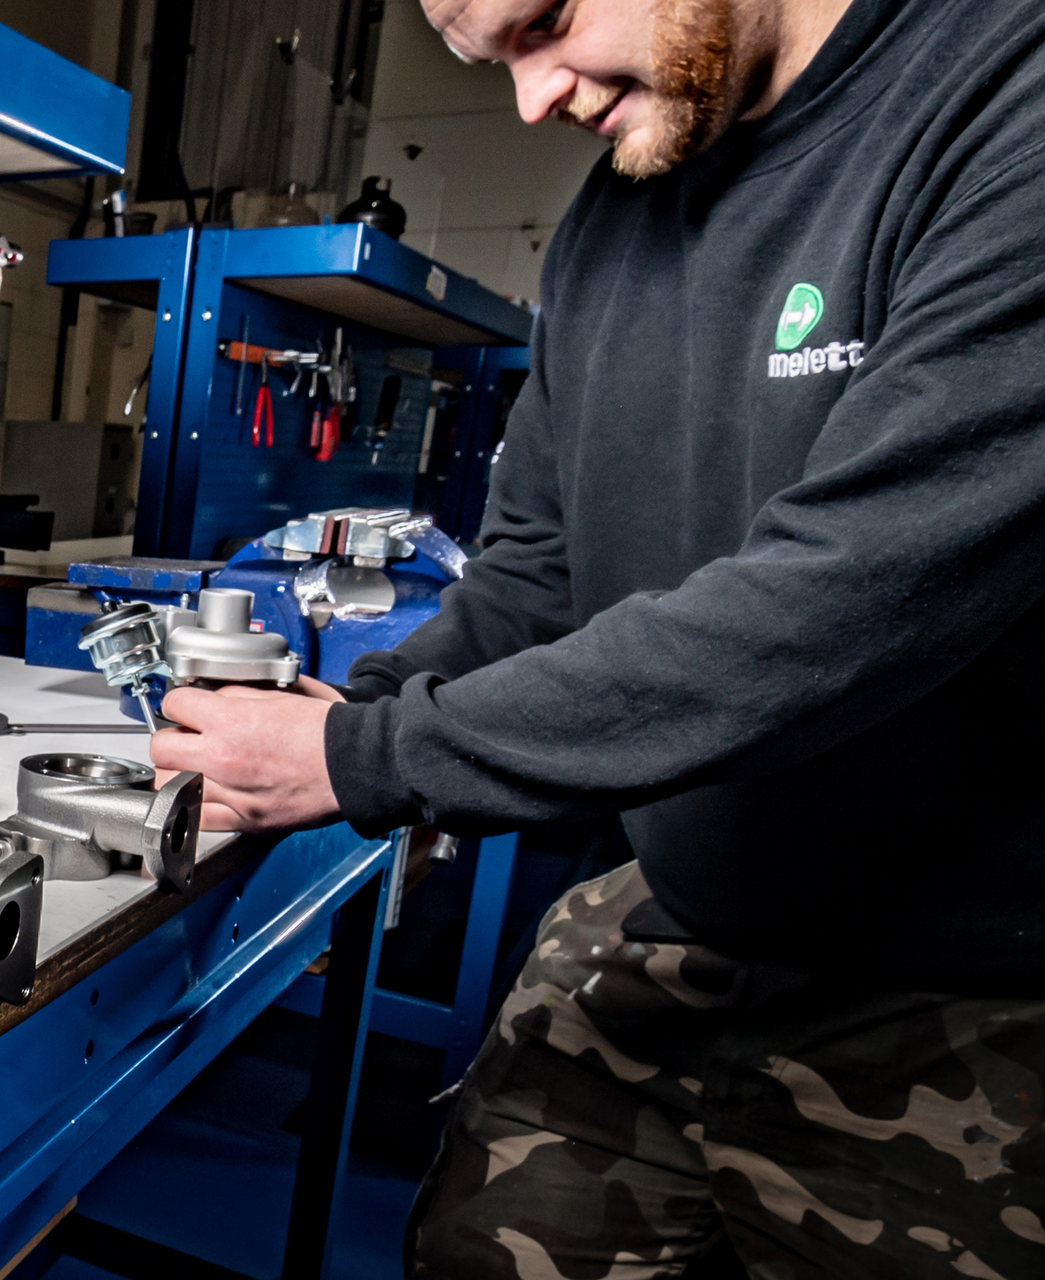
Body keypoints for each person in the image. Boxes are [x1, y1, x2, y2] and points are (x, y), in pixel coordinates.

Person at [148, 0, 1045, 1274]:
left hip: (965, 986)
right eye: (486, 58)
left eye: (545, 24)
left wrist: (370, 758)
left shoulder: (1002, 105)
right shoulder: (608, 229)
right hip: (686, 904)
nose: (531, 101)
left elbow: (837, 605)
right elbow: (539, 571)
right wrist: (356, 712)